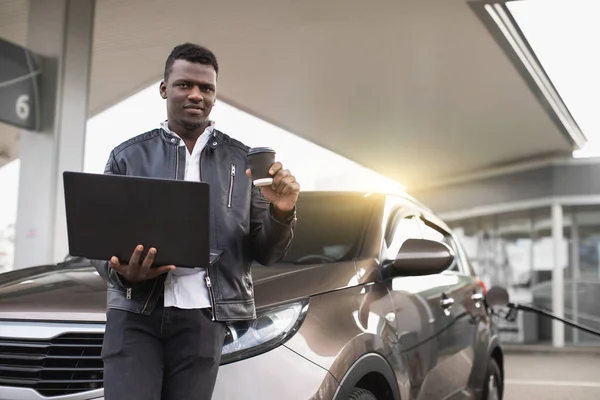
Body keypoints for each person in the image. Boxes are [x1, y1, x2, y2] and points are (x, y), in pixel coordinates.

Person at [91, 42, 299, 400]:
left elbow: (266, 252)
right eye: (184, 84)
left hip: (204, 317)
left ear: (215, 97)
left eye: (206, 88)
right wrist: (122, 272)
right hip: (135, 312)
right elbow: (99, 238)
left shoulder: (242, 160)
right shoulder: (126, 156)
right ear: (163, 89)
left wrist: (283, 211)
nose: (195, 95)